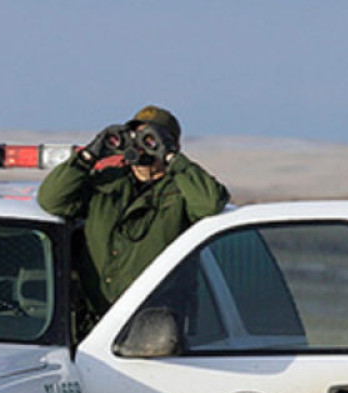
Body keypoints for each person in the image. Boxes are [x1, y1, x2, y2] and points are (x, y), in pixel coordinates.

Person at [37, 106, 230, 331]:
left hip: (153, 327)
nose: (141, 146)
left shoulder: (181, 191)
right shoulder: (107, 183)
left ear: (173, 146)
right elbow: (51, 200)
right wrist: (89, 155)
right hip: (93, 323)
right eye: (135, 137)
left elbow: (210, 203)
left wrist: (171, 159)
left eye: (150, 139)